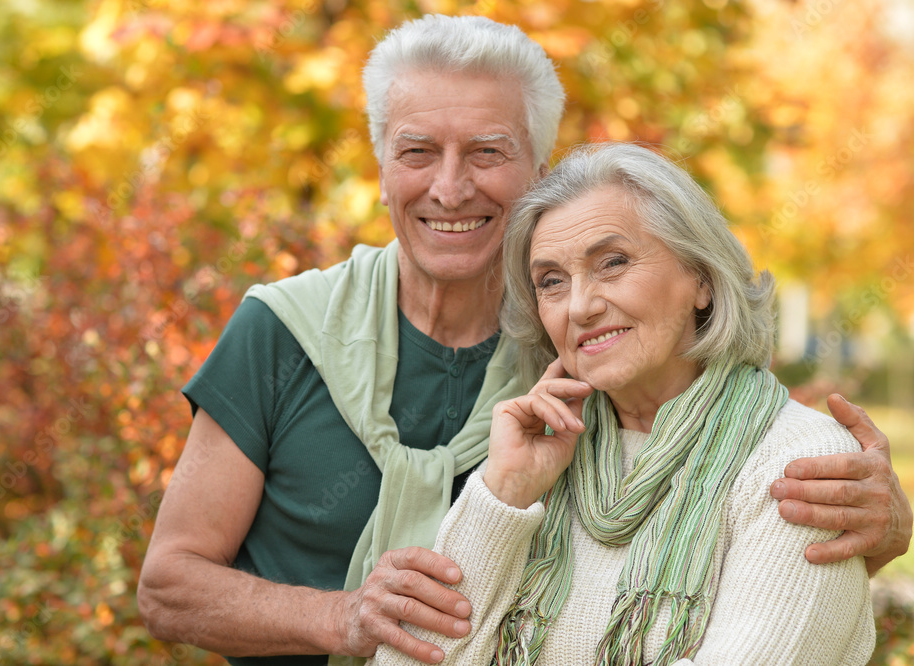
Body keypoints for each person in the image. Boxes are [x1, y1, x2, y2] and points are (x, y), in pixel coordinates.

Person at [137, 15, 912, 666]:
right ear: (380, 168)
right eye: (416, 152)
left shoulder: (593, 370)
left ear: (537, 172)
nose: (449, 187)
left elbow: (730, 464)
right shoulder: (284, 331)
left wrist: (879, 528)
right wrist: (344, 618)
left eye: (487, 151)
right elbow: (169, 583)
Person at [373, 141, 876, 665]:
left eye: (612, 263)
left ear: (700, 278)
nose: (581, 306)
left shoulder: (803, 463)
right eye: (551, 282)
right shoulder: (539, 458)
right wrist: (505, 494)